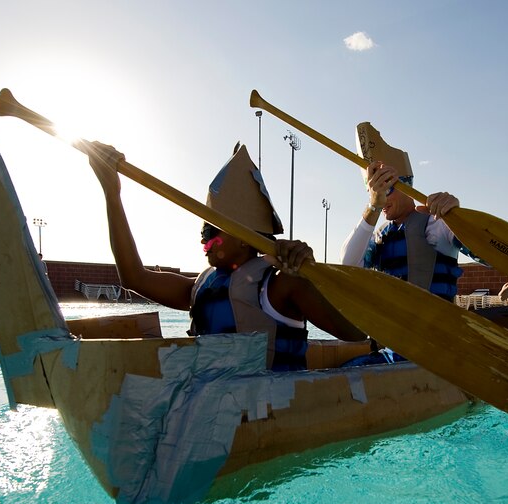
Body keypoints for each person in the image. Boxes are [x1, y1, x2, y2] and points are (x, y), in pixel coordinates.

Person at [86, 141, 367, 371]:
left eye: (211, 230)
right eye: (203, 230)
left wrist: (310, 273)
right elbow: (133, 277)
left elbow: (355, 333)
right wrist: (112, 193)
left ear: (245, 238)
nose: (203, 238)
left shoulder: (284, 285)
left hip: (272, 410)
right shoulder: (199, 287)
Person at [340, 122, 469, 302]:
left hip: (432, 319)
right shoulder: (379, 237)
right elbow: (349, 265)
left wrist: (457, 218)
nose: (381, 199)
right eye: (374, 192)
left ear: (405, 187)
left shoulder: (436, 224)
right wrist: (373, 206)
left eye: (386, 190)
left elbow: (484, 254)